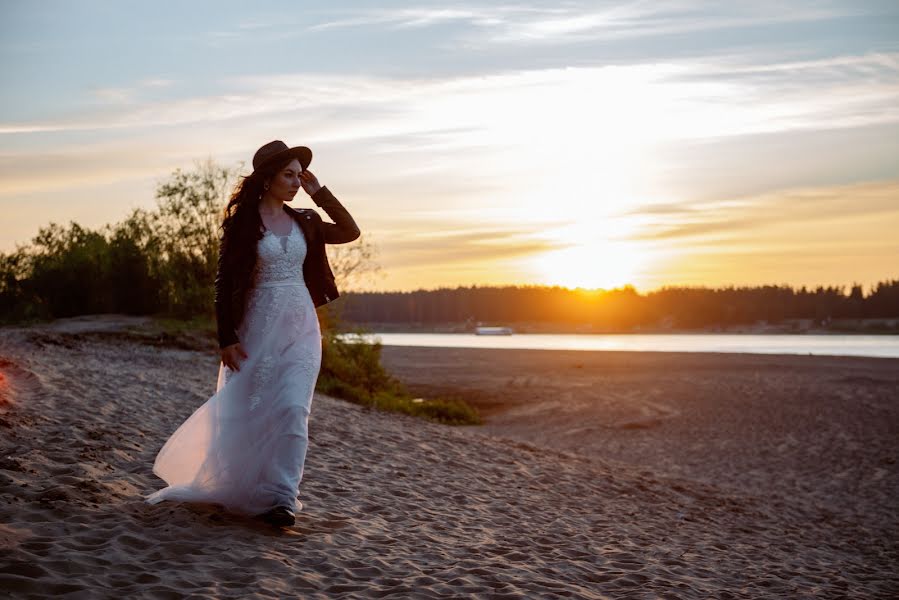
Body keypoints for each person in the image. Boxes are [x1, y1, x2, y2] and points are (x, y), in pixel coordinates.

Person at [145, 140, 360, 527]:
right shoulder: (243, 225)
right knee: (252, 410)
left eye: (300, 175)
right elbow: (224, 282)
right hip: (256, 331)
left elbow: (350, 231)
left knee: (295, 409)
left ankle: (282, 499)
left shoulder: (305, 221)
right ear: (268, 179)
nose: (296, 182)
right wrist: (226, 338)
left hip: (302, 329)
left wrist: (320, 193)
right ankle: (243, 487)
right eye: (288, 175)